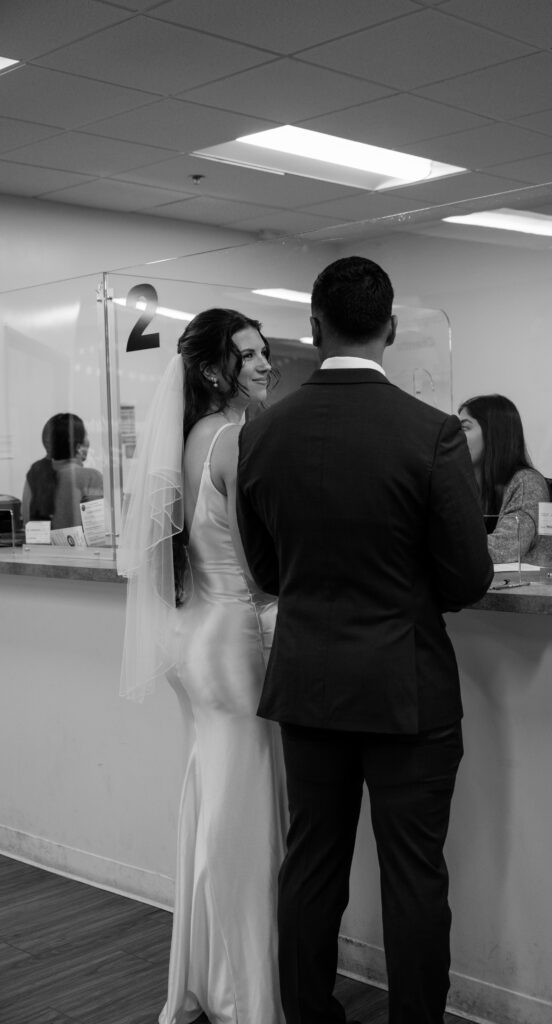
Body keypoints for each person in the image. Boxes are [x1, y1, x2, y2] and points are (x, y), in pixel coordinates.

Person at [236, 256, 494, 1024]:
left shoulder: (263, 433)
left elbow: (268, 572)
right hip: (405, 684)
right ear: (391, 328)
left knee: (310, 863)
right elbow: (467, 578)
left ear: (314, 327)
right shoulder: (431, 433)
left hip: (308, 681)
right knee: (413, 873)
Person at [117, 309, 287, 1024]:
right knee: (242, 814)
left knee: (216, 801)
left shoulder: (190, 436)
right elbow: (260, 567)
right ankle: (242, 994)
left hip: (197, 634)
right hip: (233, 638)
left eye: (264, 351)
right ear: (215, 370)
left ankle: (206, 978)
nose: (265, 363)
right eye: (248, 355)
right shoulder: (234, 438)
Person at [457, 393, 552, 565]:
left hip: (524, 583)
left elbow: (503, 550)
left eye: (464, 428)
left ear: (493, 433)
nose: (455, 437)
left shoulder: (526, 482)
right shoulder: (468, 485)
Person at [21, 412, 103, 529]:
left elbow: (26, 519)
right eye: (86, 436)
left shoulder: (36, 473)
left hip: (38, 542)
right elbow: (99, 529)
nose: (88, 441)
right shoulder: (92, 477)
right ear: (79, 447)